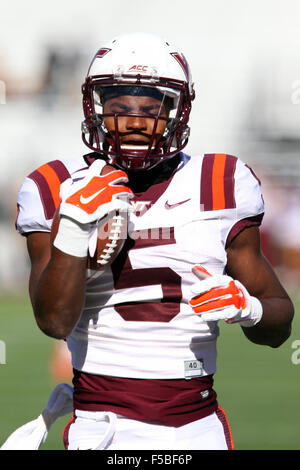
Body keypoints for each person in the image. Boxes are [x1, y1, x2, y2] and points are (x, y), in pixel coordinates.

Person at [12, 32, 294, 450]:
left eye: (153, 107)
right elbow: (53, 321)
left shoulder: (221, 183)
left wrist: (247, 307)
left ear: (180, 112)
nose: (136, 121)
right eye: (119, 107)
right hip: (99, 426)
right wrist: (72, 225)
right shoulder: (54, 186)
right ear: (95, 108)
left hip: (196, 427)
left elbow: (279, 323)